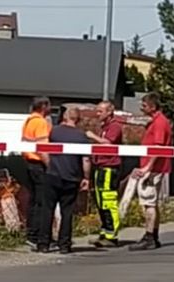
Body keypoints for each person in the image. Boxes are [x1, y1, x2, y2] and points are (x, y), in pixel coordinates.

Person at [37, 106, 91, 254]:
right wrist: (86, 178)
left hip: (53, 175)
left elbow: (42, 150)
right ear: (78, 119)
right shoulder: (82, 137)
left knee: (47, 209)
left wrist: (50, 165)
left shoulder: (54, 132)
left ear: (65, 117)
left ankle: (43, 244)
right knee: (67, 212)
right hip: (72, 178)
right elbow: (86, 160)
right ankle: (64, 245)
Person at [128, 93, 173, 251]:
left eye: (144, 105)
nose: (142, 108)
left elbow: (158, 147)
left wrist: (148, 167)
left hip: (154, 169)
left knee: (148, 203)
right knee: (152, 203)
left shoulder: (159, 123)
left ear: (153, 106)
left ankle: (149, 237)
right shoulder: (157, 121)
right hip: (156, 168)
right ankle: (153, 235)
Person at [85, 101, 125, 247]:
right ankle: (104, 232)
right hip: (100, 167)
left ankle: (112, 235)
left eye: (100, 111)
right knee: (100, 201)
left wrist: (92, 136)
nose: (97, 114)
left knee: (108, 201)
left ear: (109, 112)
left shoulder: (115, 126)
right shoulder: (104, 126)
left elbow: (108, 143)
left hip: (109, 167)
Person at [20, 97, 52, 248]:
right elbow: (42, 147)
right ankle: (39, 235)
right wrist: (50, 166)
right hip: (38, 165)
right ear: (44, 106)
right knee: (42, 201)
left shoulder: (29, 121)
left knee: (33, 201)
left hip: (29, 163)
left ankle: (31, 234)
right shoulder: (40, 122)